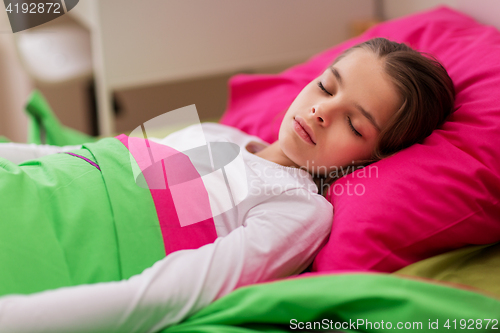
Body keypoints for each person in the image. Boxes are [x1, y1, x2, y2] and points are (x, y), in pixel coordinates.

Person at [0, 38, 454, 332]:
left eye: (354, 125)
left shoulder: (298, 209)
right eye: (325, 87)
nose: (321, 111)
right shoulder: (219, 133)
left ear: (373, 158)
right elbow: (84, 162)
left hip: (57, 252)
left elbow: (169, 291)